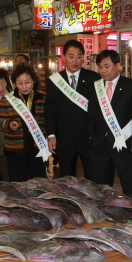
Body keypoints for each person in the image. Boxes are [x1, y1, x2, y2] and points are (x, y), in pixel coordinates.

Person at [45, 40, 101, 180]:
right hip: (65, 137)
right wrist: (51, 134)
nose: (75, 60)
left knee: (92, 174)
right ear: (63, 57)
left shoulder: (94, 78)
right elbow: (50, 110)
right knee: (66, 176)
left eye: (78, 56)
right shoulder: (54, 80)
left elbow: (99, 108)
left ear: (83, 57)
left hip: (88, 137)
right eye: (71, 56)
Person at [88, 50, 132, 194]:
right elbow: (91, 114)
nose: (103, 70)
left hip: (123, 145)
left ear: (118, 65)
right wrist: (94, 136)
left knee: (129, 187)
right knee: (101, 190)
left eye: (107, 66)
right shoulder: (95, 87)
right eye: (100, 67)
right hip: (100, 145)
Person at [0, 64, 48, 181]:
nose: (24, 86)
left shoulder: (42, 98)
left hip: (37, 149)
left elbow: (48, 120)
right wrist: (8, 124)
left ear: (33, 81)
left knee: (37, 182)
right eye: (20, 83)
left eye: (27, 82)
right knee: (17, 182)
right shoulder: (7, 100)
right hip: (15, 149)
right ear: (14, 83)